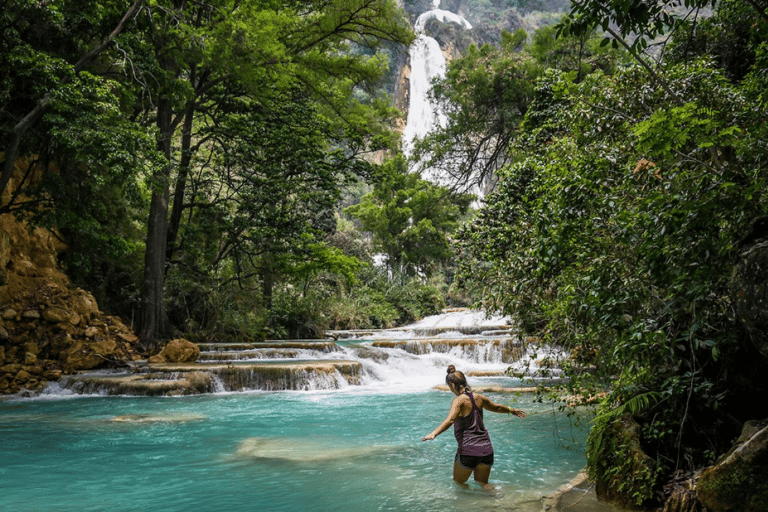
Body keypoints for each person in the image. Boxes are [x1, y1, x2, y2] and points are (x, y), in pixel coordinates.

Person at [422, 365, 526, 488]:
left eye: (450, 387)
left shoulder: (459, 400)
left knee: (459, 484)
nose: (450, 389)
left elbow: (450, 420)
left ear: (453, 385)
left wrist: (434, 433)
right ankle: (498, 501)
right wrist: (511, 410)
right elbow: (496, 407)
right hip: (486, 449)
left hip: (469, 450)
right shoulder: (479, 397)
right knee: (483, 484)